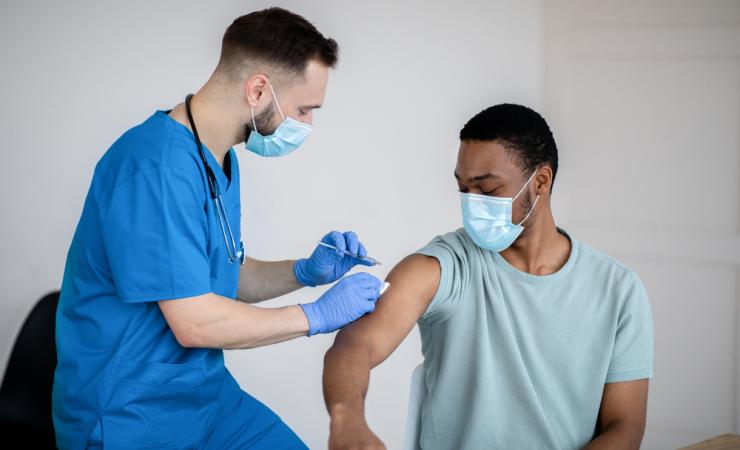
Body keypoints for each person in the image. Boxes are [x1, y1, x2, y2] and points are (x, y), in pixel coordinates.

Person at [53, 7, 382, 449]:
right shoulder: (155, 167)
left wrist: (303, 271)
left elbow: (216, 276)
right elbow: (195, 323)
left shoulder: (218, 159)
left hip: (205, 400)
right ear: (259, 89)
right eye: (304, 109)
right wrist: (316, 315)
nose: (307, 125)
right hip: (131, 414)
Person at [323, 104, 653, 450]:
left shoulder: (617, 291)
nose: (471, 203)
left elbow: (624, 427)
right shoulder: (445, 266)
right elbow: (354, 346)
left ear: (541, 181)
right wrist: (347, 421)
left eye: (489, 189)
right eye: (463, 188)